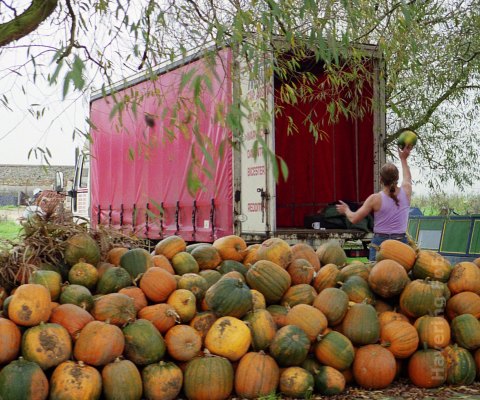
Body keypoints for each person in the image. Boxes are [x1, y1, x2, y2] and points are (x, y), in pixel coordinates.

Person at [336, 145, 413, 261]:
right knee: (400, 277)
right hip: (401, 244)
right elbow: (407, 178)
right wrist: (403, 159)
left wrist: (346, 209)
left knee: (376, 277)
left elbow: (354, 219)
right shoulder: (406, 191)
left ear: (381, 179)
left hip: (380, 244)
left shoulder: (375, 199)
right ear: (397, 177)